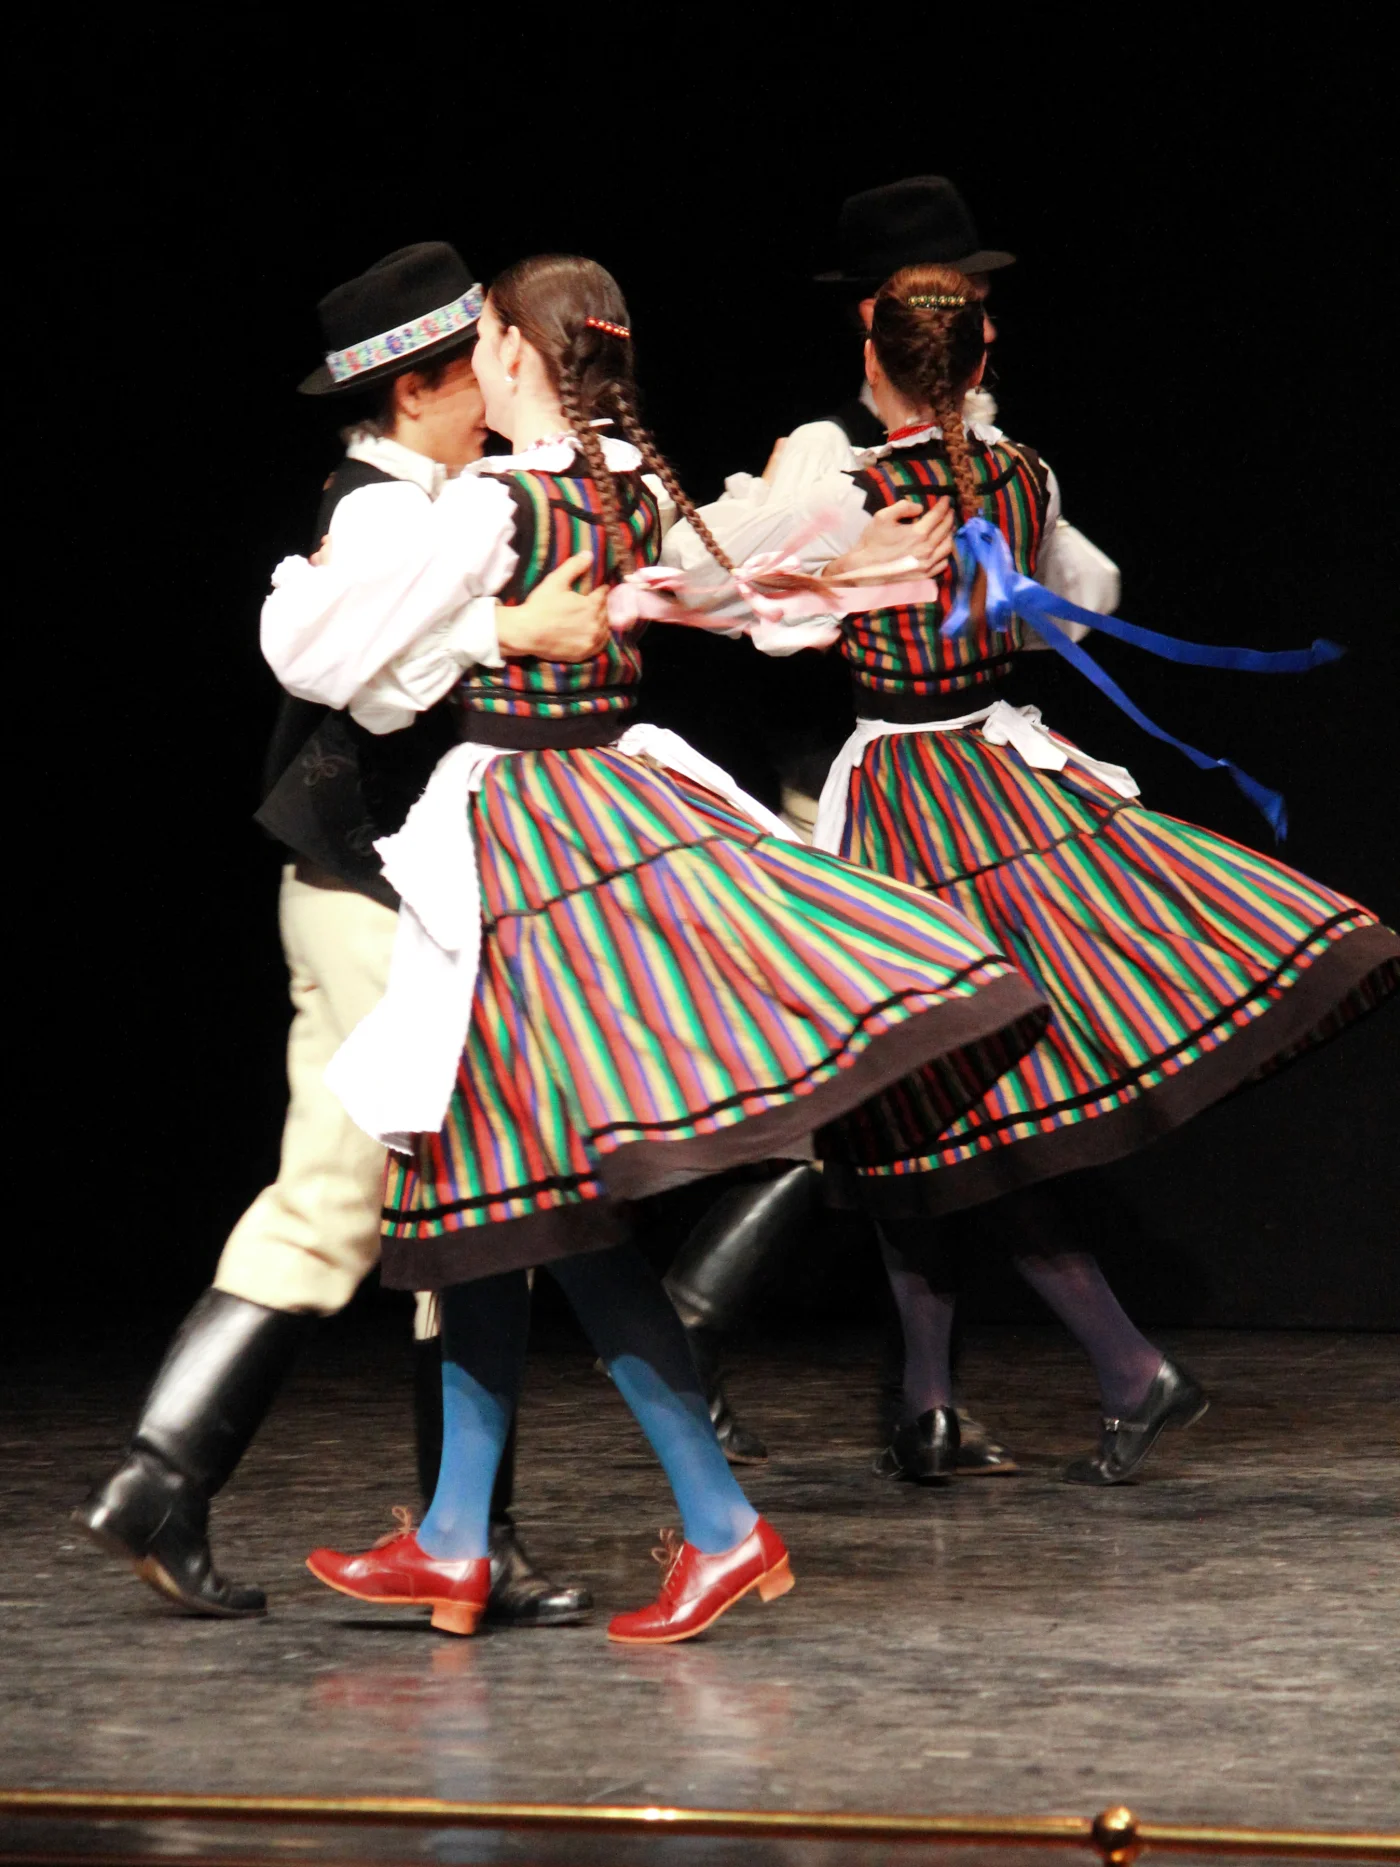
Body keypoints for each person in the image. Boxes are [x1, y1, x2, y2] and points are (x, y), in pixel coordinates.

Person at [263, 252, 1050, 1641]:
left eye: (486, 337)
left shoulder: (491, 502)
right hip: (597, 817)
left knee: (524, 1188)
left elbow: (314, 655)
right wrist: (830, 577)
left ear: (517, 357)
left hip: (531, 834)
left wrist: (465, 614)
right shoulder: (624, 479)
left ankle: (715, 1523)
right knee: (495, 1187)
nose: (475, 359)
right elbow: (727, 597)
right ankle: (458, 1533)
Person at [663, 261, 1399, 1487]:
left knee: (928, 1106)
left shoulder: (846, 486)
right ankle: (938, 1403)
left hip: (910, 794)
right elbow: (1079, 597)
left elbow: (718, 599)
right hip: (1002, 771)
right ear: (980, 359)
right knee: (923, 1112)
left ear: (869, 360)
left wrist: (819, 559)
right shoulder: (1025, 472)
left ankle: (1100, 1370)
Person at [78, 243, 606, 1625]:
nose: (499, 384)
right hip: (365, 895)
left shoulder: (443, 500)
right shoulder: (380, 512)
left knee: (455, 1211)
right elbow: (348, 682)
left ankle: (451, 1530)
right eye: (477, 365)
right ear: (417, 388)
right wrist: (506, 632)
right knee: (379, 1203)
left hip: (398, 899)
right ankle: (185, 1478)